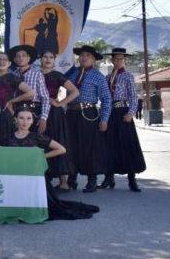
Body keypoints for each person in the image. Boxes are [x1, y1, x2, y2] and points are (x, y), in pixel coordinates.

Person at [2, 108, 99, 220]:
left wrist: (41, 156)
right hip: (15, 177)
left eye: (28, 118)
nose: (25, 122)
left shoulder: (37, 136)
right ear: (16, 120)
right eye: (21, 118)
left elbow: (61, 149)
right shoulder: (7, 138)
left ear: (32, 121)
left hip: (34, 177)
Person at [64, 45, 111, 193]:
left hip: (88, 114)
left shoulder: (98, 76)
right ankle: (71, 178)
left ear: (93, 59)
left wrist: (104, 119)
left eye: (88, 56)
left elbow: (106, 99)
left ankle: (92, 180)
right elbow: (61, 90)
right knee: (71, 146)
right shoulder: (71, 73)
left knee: (90, 147)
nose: (84, 58)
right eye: (82, 55)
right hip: (71, 113)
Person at [100, 48, 147, 192]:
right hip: (109, 112)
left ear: (124, 61)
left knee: (127, 143)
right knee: (108, 144)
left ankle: (132, 179)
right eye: (116, 59)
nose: (118, 61)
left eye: (121, 59)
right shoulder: (107, 78)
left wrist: (131, 112)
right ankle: (109, 177)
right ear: (111, 60)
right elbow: (103, 97)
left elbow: (133, 96)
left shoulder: (128, 76)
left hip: (122, 112)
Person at [40, 50, 80, 192]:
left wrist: (59, 103)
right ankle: (44, 180)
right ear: (40, 59)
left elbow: (75, 92)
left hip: (54, 115)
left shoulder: (57, 76)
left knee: (57, 141)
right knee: (41, 143)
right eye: (45, 56)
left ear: (54, 61)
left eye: (51, 57)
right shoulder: (35, 74)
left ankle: (63, 182)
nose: (48, 59)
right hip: (38, 113)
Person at [0, 52, 36, 144]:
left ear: (9, 63)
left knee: (3, 145)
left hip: (4, 115)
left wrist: (11, 101)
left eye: (4, 60)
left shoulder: (11, 77)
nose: (1, 62)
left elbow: (31, 93)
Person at [8, 44, 50, 134]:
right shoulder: (12, 75)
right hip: (17, 112)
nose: (21, 58)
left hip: (34, 112)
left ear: (28, 58)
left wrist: (43, 118)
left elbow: (45, 97)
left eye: (23, 55)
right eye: (18, 56)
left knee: (33, 140)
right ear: (15, 59)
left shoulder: (37, 74)